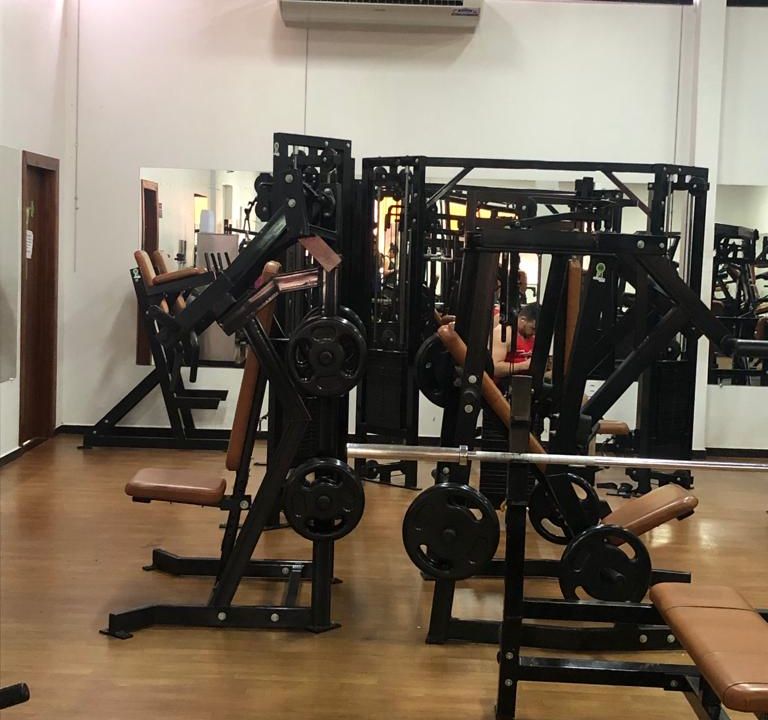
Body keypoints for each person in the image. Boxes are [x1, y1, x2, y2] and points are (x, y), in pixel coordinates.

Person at [492, 302, 539, 381]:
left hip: (526, 382)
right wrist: (524, 365)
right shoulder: (504, 332)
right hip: (504, 384)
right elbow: (495, 368)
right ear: (523, 320)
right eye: (533, 328)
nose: (534, 333)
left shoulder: (530, 336)